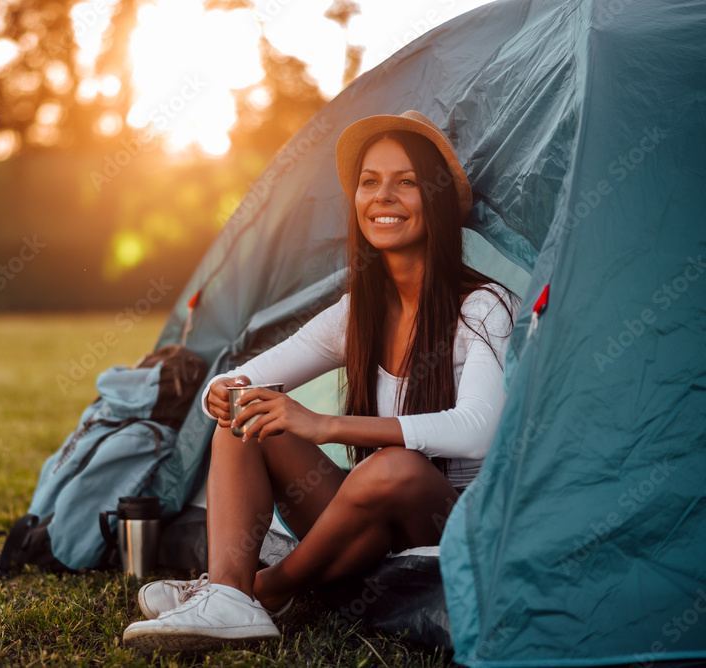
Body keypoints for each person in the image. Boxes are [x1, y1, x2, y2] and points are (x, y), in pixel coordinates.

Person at [122, 110, 520, 653]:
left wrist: (325, 425)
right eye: (369, 182)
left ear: (439, 200)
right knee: (247, 415)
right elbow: (249, 373)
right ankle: (230, 598)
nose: (383, 197)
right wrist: (225, 389)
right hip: (367, 521)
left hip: (449, 520)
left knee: (394, 467)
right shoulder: (357, 313)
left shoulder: (484, 308)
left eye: (406, 182)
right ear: (356, 203)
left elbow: (477, 430)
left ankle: (261, 590)